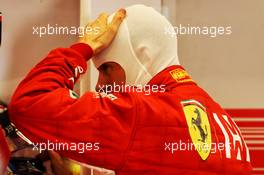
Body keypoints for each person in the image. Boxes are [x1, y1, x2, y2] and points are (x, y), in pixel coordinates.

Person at [9, 5, 252, 175]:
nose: (99, 84)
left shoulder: (141, 111)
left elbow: (31, 101)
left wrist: (82, 48)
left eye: (107, 68)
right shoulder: (225, 122)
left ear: (141, 56)